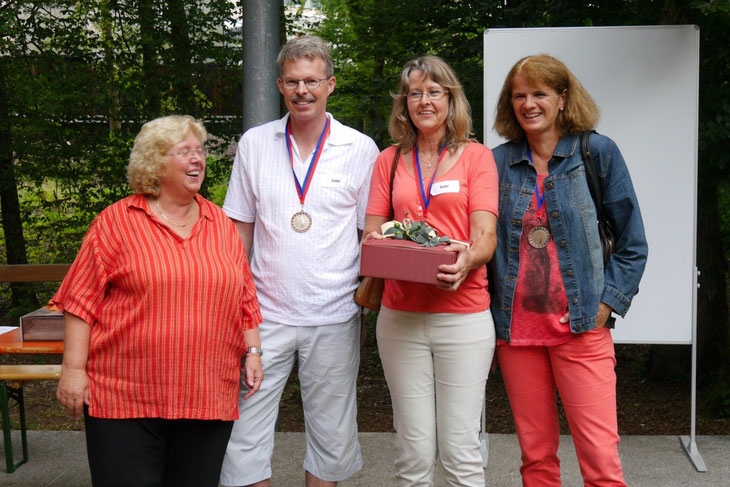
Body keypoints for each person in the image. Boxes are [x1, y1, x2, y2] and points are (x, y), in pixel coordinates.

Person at [53, 115, 263, 487]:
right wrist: (73, 371)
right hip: (125, 397)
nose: (197, 158)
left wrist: (253, 352)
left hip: (205, 393)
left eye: (199, 150)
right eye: (184, 151)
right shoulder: (116, 223)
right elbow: (80, 302)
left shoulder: (221, 225)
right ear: (155, 163)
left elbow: (243, 297)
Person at [219, 35, 380, 487]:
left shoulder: (360, 148)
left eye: (311, 80)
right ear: (279, 85)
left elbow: (370, 234)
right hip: (264, 312)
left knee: (331, 434)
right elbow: (240, 231)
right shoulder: (254, 143)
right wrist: (236, 303)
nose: (302, 90)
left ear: (330, 84)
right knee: (244, 431)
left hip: (334, 312)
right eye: (293, 82)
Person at [490, 54, 648, 486]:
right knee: (536, 458)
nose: (528, 103)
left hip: (580, 328)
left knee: (599, 458)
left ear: (562, 98)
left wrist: (604, 306)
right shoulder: (497, 162)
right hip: (517, 334)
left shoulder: (596, 153)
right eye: (519, 95)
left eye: (539, 93)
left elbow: (633, 243)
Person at [363, 55, 498, 487]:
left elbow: (486, 237)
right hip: (400, 317)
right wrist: (394, 246)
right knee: (413, 449)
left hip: (463, 317)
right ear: (404, 103)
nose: (424, 101)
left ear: (450, 99)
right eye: (415, 93)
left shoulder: (477, 157)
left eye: (434, 92)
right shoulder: (388, 160)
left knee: (460, 449)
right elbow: (371, 236)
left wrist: (467, 260)